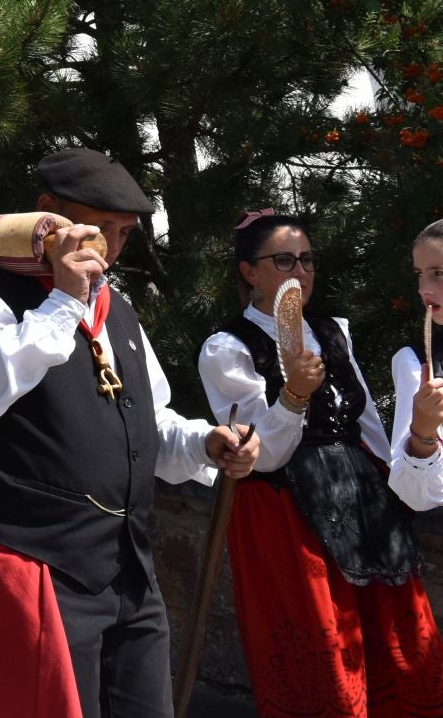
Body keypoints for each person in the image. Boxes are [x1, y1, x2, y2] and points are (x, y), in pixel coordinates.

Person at [0, 147, 260, 717]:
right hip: (35, 558)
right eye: (97, 227)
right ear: (46, 213)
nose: (109, 247)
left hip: (127, 569)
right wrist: (63, 299)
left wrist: (206, 441)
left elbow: (150, 420)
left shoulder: (120, 308)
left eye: (124, 233)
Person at [199, 211, 443, 715]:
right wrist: (291, 397)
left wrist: (396, 481)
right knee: (323, 651)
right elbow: (256, 454)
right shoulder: (228, 348)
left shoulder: (334, 331)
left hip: (362, 494)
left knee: (398, 645)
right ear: (249, 272)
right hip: (287, 505)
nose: (301, 271)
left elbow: (367, 421)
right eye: (284, 260)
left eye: (307, 259)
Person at [392, 219, 443, 514]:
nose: (424, 288)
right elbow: (415, 496)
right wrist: (422, 434)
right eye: (420, 275)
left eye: (439, 273)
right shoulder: (416, 362)